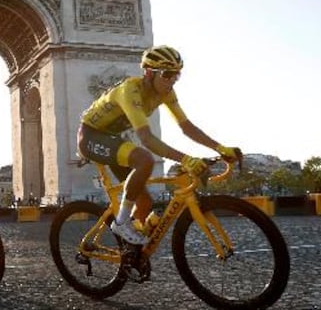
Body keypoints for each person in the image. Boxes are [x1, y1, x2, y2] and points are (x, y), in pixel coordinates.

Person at [78, 45, 243, 245]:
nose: (172, 80)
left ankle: (131, 253)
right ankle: (121, 223)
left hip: (113, 139)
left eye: (177, 75)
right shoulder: (129, 90)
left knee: (145, 202)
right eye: (167, 74)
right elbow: (147, 139)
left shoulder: (166, 93)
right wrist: (186, 159)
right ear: (149, 72)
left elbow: (187, 127)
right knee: (144, 159)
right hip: (91, 136)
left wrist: (220, 148)